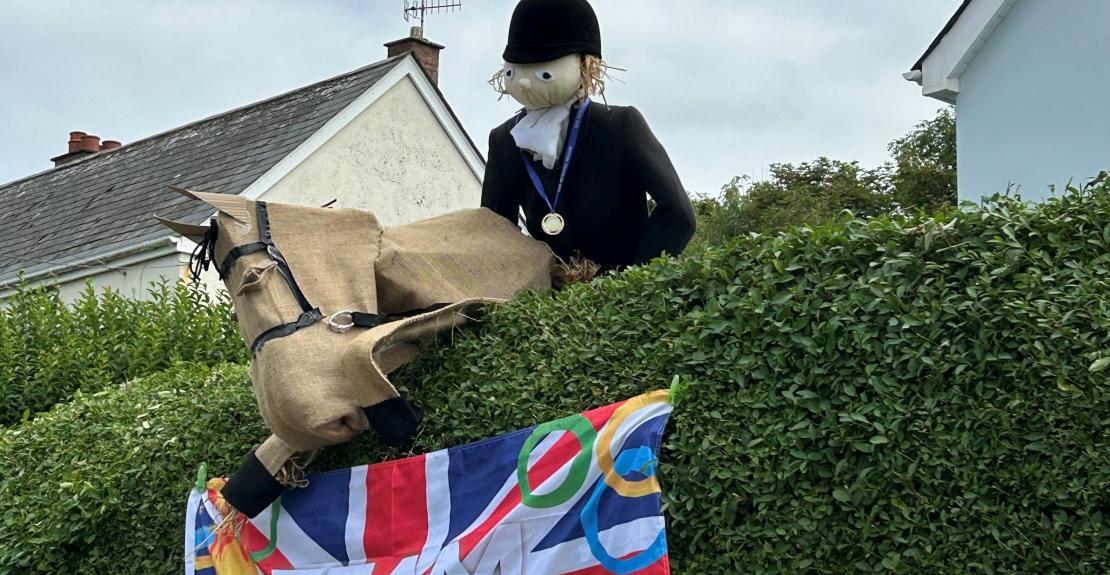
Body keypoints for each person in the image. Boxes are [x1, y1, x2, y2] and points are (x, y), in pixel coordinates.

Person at [481, 0, 696, 273]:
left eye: (544, 73)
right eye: (513, 71)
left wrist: (633, 283)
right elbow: (493, 232)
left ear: (587, 65)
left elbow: (678, 214)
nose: (524, 83)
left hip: (623, 293)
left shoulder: (621, 125)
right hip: (546, 303)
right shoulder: (504, 140)